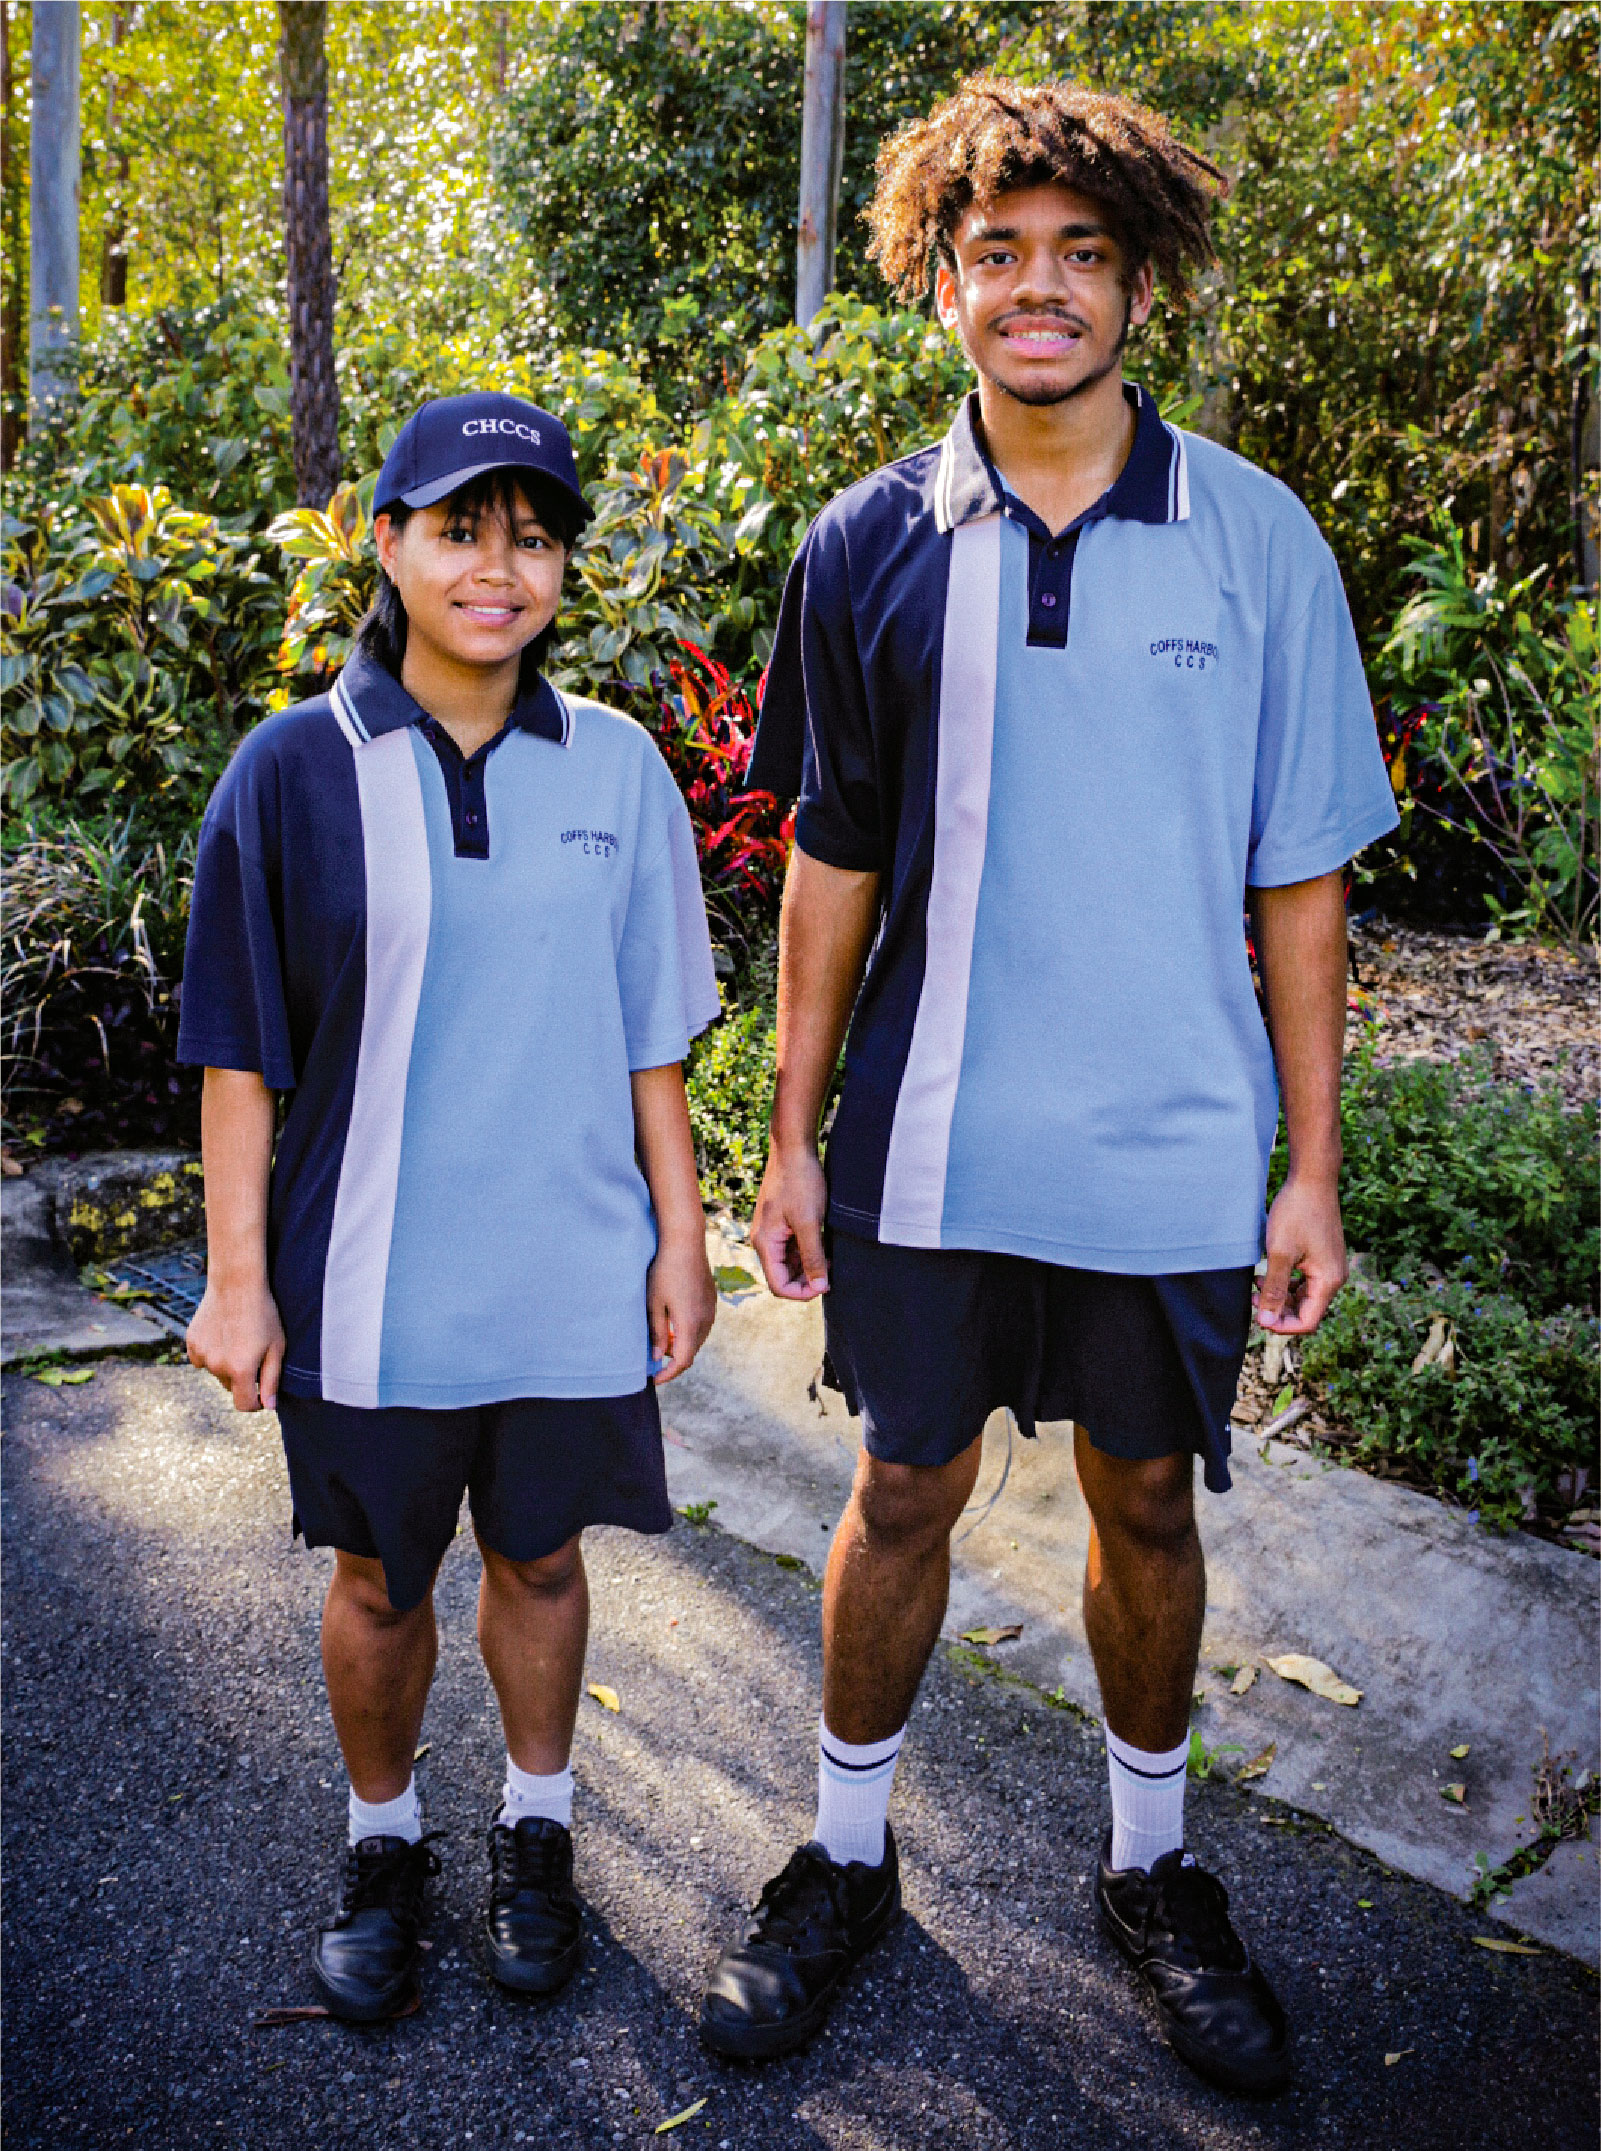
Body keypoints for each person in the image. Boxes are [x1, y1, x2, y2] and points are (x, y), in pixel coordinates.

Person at [699, 77, 1397, 2096]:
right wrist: (787, 1130)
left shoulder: (1258, 539)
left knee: (1146, 1492)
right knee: (899, 1485)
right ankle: (841, 1863)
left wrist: (1312, 1166)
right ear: (940, 281)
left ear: (1138, 285)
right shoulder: (871, 545)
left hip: (1175, 1141)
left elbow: (1302, 878)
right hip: (931, 1136)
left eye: (1081, 252)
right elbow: (830, 863)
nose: (1038, 288)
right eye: (997, 250)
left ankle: (1154, 1870)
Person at [180, 391, 721, 2023]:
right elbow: (237, 1053)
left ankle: (537, 1833)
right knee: (375, 1582)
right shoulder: (291, 770)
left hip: (567, 1269)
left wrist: (681, 1239)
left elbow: (651, 1039)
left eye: (535, 534)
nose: (500, 566)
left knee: (544, 1564)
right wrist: (235, 1280)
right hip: (364, 1278)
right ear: (389, 541)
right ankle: (384, 1842)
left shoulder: (617, 768)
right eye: (462, 528)